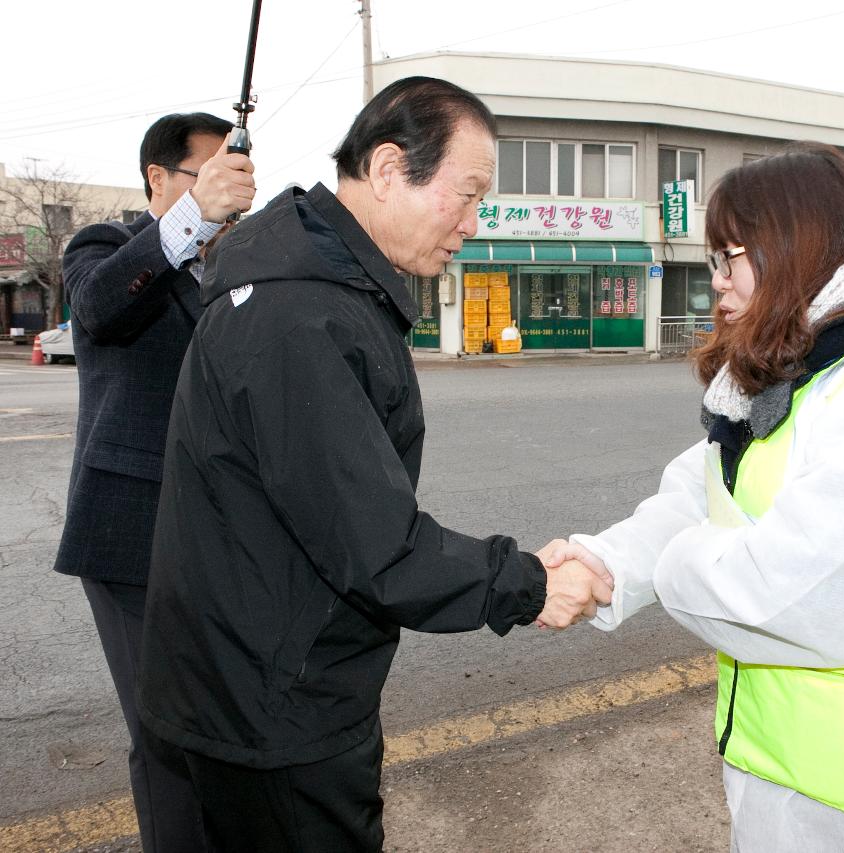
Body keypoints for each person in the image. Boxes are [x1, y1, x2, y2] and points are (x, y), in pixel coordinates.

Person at [135, 77, 609, 852]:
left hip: (239, 681)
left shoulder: (310, 285)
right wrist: (528, 581)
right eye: (466, 194)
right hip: (272, 708)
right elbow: (374, 542)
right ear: (389, 169)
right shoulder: (301, 312)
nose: (473, 221)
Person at [544, 143, 844, 851]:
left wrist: (669, 567)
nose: (718, 284)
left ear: (797, 247)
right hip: (790, 766)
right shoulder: (810, 371)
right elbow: (704, 493)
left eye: (731, 257)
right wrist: (601, 561)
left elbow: (802, 596)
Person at [56, 111, 255, 852]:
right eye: (206, 177)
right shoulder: (102, 246)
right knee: (166, 733)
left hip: (222, 535)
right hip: (130, 533)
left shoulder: (237, 266)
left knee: (220, 722)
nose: (225, 196)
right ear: (159, 179)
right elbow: (103, 308)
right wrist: (194, 217)